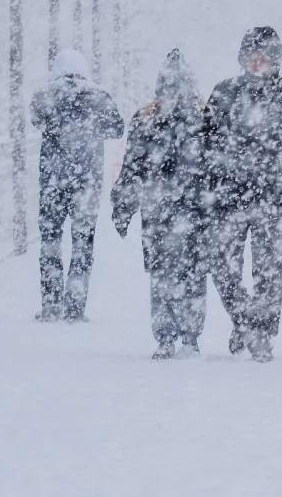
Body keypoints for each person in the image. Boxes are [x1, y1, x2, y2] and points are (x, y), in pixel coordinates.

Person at [202, 27, 282, 362]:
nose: (258, 60)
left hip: (271, 198)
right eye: (252, 53)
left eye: (265, 55)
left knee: (269, 274)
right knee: (221, 264)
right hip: (227, 197)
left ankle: (262, 334)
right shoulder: (224, 93)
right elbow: (204, 141)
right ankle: (245, 319)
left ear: (276, 60)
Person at [111, 50, 207, 359]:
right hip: (194, 206)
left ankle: (166, 336)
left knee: (162, 273)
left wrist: (123, 206)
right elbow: (216, 165)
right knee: (193, 272)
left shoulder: (146, 117)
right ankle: (190, 337)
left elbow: (132, 165)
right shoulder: (203, 115)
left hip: (158, 207)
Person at [30, 48, 124, 322]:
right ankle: (75, 306)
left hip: (53, 180)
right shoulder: (98, 95)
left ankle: (50, 305)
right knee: (83, 242)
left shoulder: (45, 94)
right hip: (87, 182)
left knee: (50, 240)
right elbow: (117, 128)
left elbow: (37, 120)